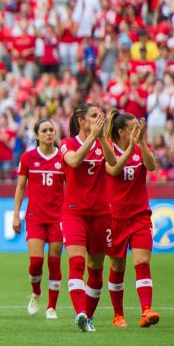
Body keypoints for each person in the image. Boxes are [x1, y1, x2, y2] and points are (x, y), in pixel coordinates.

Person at [59, 103, 118, 332]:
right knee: (76, 262)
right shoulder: (67, 143)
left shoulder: (104, 143)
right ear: (81, 121)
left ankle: (89, 318)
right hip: (74, 213)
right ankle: (80, 312)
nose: (99, 118)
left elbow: (113, 163)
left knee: (95, 269)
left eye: (100, 115)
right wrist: (91, 138)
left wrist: (101, 138)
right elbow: (73, 161)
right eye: (94, 116)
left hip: (101, 214)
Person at [105, 112, 160, 328]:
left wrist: (142, 143)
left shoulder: (140, 149)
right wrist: (130, 149)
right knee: (117, 267)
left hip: (139, 216)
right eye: (133, 127)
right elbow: (113, 170)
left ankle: (146, 310)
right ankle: (118, 315)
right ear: (121, 131)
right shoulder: (107, 150)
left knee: (142, 262)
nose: (137, 129)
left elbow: (152, 166)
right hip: (114, 218)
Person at [12, 119, 65, 320]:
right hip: (35, 217)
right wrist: (16, 214)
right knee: (36, 262)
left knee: (54, 262)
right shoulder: (28, 158)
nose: (49, 133)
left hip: (58, 218)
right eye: (44, 130)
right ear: (36, 135)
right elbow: (20, 187)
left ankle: (52, 307)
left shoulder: (63, 157)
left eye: (52, 129)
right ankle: (36, 293)